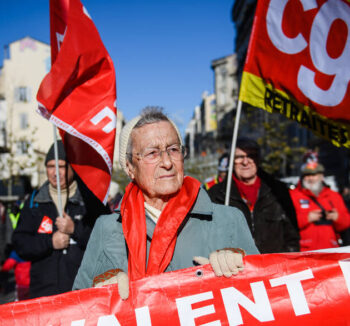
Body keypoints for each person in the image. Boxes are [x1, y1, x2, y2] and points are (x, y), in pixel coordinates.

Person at [73, 107, 259, 300]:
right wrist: (98, 291)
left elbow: (266, 292)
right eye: (152, 153)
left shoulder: (228, 219)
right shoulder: (107, 227)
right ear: (130, 168)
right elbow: (77, 304)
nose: (167, 162)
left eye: (173, 149)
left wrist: (243, 268)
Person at [12, 140, 94, 298]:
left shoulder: (88, 200)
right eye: (50, 166)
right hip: (43, 296)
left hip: (82, 295)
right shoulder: (34, 202)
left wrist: (75, 229)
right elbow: (20, 244)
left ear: (72, 167)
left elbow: (104, 242)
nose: (56, 172)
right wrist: (49, 242)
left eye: (61, 166)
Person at [208, 137, 299, 254]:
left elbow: (292, 237)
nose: (245, 162)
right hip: (236, 269)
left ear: (258, 160)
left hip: (274, 267)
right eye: (239, 157)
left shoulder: (278, 191)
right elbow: (209, 238)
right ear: (231, 160)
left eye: (251, 156)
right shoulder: (216, 195)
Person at [289, 154, 350, 251]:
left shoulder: (334, 196)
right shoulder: (293, 195)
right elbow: (285, 222)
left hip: (331, 250)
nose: (311, 178)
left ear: (321, 176)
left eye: (314, 175)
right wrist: (307, 218)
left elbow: (346, 222)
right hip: (303, 251)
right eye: (307, 175)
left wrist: (337, 217)